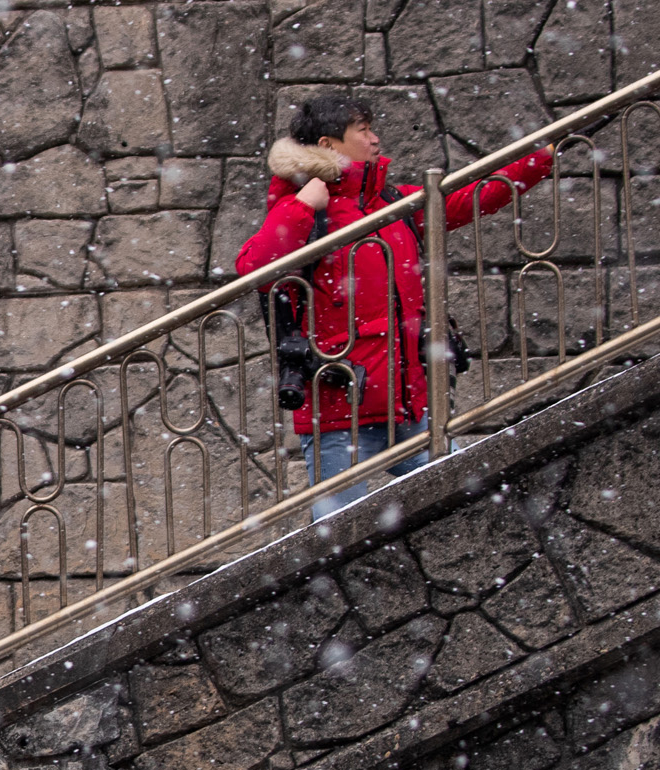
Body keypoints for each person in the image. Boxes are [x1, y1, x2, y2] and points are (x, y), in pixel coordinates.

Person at [236, 93, 554, 518]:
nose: (375, 139)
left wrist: (542, 157)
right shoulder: (306, 210)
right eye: (363, 131)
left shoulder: (390, 203)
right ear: (329, 145)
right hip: (340, 406)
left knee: (472, 504)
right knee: (336, 539)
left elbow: (472, 196)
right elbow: (256, 266)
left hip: (408, 401)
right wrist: (302, 204)